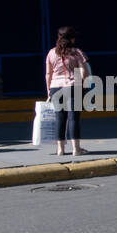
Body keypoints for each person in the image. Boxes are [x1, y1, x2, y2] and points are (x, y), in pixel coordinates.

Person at [44, 26, 89, 157]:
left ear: (59, 38)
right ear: (72, 39)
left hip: (55, 88)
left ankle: (60, 150)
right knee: (73, 118)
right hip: (73, 86)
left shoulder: (51, 53)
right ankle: (76, 149)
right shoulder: (77, 52)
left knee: (59, 119)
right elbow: (83, 71)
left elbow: (48, 74)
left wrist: (48, 91)